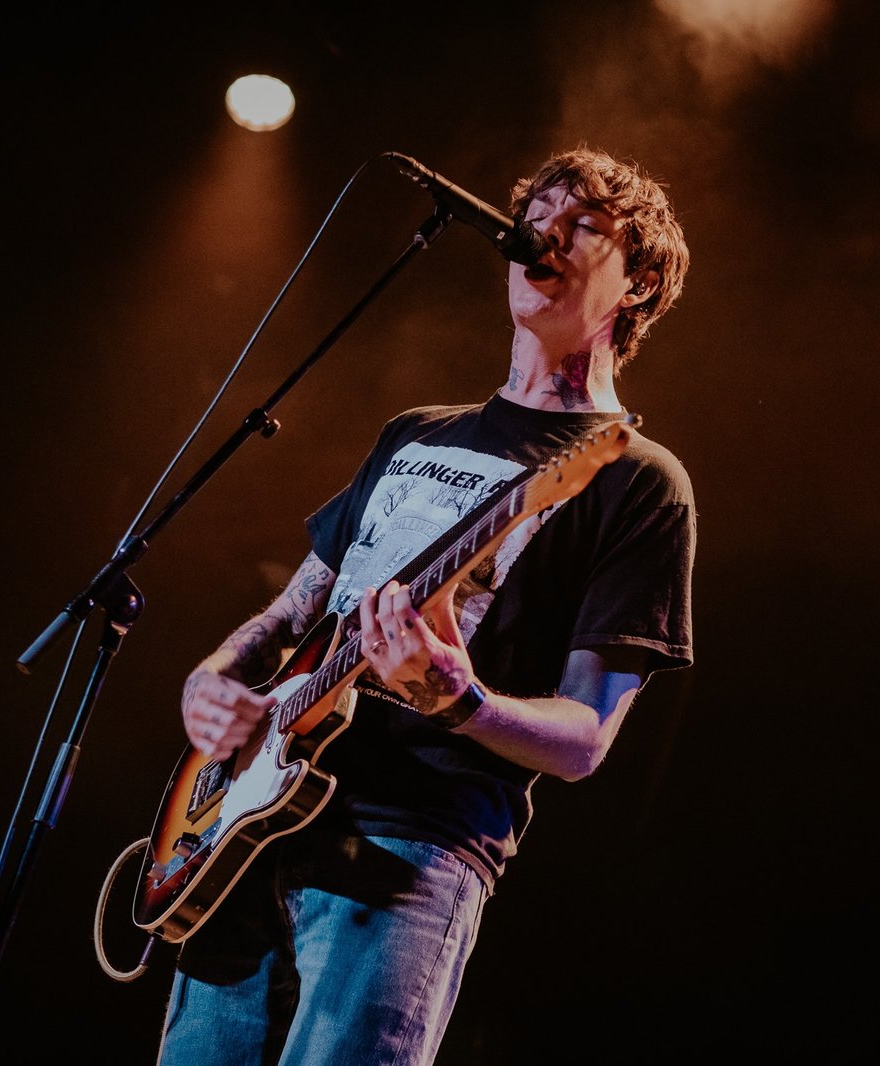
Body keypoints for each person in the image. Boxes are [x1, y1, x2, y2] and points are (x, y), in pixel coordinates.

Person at [155, 144, 695, 1065]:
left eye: (583, 227)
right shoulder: (415, 434)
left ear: (639, 285)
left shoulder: (635, 479)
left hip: (409, 850)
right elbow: (291, 615)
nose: (545, 238)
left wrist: (460, 697)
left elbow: (585, 739)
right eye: (537, 220)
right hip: (244, 830)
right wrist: (212, 681)